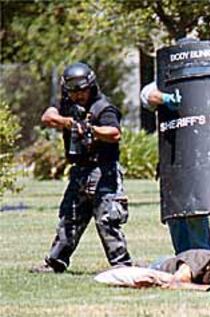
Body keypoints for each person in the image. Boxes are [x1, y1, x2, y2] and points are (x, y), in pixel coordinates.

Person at [31, 62, 132, 273]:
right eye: (73, 91)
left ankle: (122, 266)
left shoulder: (103, 107)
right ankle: (55, 262)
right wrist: (69, 123)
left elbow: (114, 133)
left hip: (104, 171)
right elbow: (47, 116)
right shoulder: (67, 105)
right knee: (70, 217)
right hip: (79, 171)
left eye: (82, 91)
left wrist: (90, 129)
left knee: (107, 220)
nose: (78, 95)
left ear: (91, 86)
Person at [140, 81, 210, 255]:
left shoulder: (205, 79)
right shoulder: (167, 81)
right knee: (175, 212)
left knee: (196, 209)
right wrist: (165, 98)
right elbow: (146, 95)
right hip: (171, 159)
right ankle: (183, 257)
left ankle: (203, 257)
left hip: (198, 157)